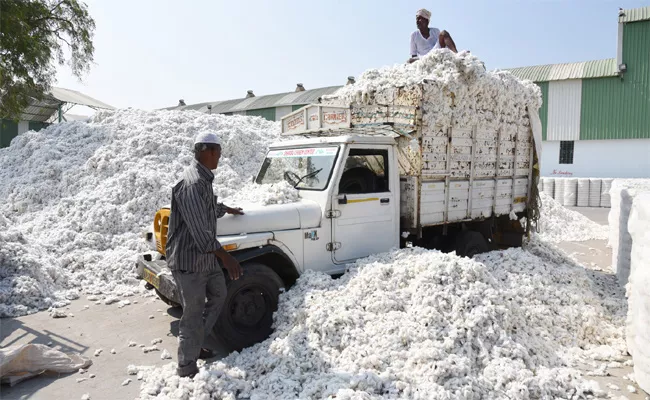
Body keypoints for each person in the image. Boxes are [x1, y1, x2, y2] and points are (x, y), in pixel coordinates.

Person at [165, 132, 244, 378]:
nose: (219, 158)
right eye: (218, 153)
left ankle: (196, 344)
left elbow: (206, 208)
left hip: (205, 258)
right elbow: (201, 230)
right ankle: (186, 367)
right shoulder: (191, 183)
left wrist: (225, 209)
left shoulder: (203, 180)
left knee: (219, 294)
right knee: (192, 312)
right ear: (207, 151)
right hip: (189, 260)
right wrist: (226, 257)